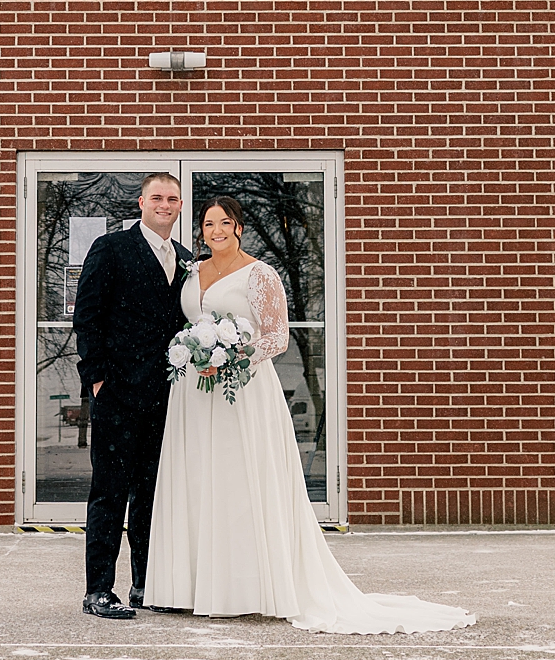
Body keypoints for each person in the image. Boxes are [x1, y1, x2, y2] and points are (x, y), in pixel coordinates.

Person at [144, 196, 473, 635]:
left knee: (241, 483)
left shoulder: (260, 274)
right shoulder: (191, 270)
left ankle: (246, 588)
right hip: (193, 395)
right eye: (208, 224)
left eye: (225, 223)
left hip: (242, 390)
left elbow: (277, 337)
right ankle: (192, 587)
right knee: (198, 481)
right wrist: (193, 353)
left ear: (239, 227)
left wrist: (232, 358)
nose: (216, 230)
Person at [71, 170, 192, 620]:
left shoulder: (184, 258)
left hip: (167, 397)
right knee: (110, 492)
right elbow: (88, 316)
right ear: (140, 203)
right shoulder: (111, 248)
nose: (165, 204)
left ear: (180, 207)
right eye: (157, 197)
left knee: (151, 494)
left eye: (173, 198)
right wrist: (97, 378)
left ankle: (145, 583)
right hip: (118, 394)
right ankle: (98, 589)